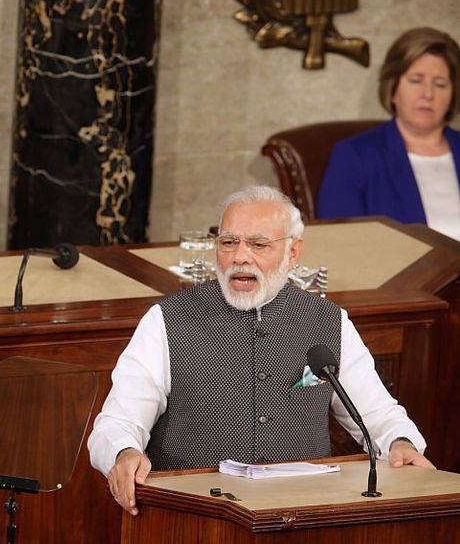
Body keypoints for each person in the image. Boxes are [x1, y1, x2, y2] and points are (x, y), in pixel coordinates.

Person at [87, 186, 433, 516]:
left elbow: (376, 416)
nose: (240, 257)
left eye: (258, 244)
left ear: (293, 252)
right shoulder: (167, 320)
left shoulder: (329, 321)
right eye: (228, 242)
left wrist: (400, 443)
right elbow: (117, 422)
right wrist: (124, 451)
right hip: (194, 516)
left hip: (300, 513)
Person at [317, 27, 460, 241]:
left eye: (440, 84)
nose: (428, 94)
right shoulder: (354, 156)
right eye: (415, 80)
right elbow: (342, 247)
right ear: (393, 88)